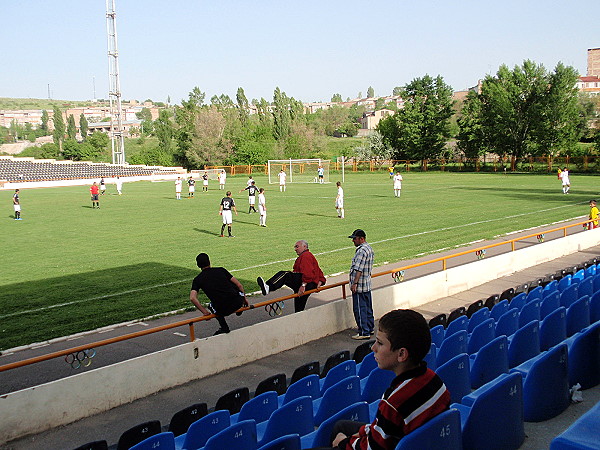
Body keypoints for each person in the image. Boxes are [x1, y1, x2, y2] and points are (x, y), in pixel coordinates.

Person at [308, 309, 451, 450]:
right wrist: (364, 432)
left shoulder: (393, 402)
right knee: (341, 426)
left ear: (401, 354)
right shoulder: (436, 381)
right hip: (418, 441)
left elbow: (372, 447)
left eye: (380, 343)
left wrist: (344, 443)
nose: (373, 348)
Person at [257, 240, 326, 312]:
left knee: (285, 275)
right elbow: (318, 271)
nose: (295, 249)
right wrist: (320, 282)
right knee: (299, 307)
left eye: (297, 247)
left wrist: (303, 285)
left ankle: (269, 287)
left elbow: (308, 273)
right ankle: (299, 318)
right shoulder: (308, 256)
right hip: (308, 285)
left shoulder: (306, 256)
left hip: (305, 283)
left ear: (304, 247)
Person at [190, 253, 249, 335]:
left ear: (198, 265)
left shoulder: (197, 280)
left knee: (211, 305)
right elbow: (239, 285)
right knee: (233, 286)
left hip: (223, 310)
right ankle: (240, 307)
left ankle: (224, 327)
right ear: (209, 261)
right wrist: (244, 300)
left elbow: (192, 298)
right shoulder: (221, 270)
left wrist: (204, 312)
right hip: (237, 302)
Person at [348, 229, 374, 339]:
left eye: (355, 238)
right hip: (366, 284)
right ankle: (370, 327)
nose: (353, 240)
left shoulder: (361, 251)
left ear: (361, 239)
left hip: (360, 286)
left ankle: (364, 332)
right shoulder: (369, 248)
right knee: (368, 308)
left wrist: (355, 283)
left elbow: (358, 269)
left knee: (359, 309)